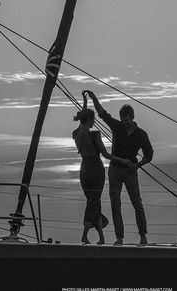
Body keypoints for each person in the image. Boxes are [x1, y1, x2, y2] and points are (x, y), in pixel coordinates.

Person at [85, 90, 154, 245]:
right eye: (123, 120)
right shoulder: (117, 126)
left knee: (137, 203)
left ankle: (143, 235)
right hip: (115, 169)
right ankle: (119, 237)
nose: (125, 122)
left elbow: (149, 154)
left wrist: (138, 165)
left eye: (127, 120)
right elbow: (102, 113)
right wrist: (94, 97)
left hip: (130, 171)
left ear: (132, 117)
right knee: (115, 203)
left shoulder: (141, 134)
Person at [72, 92, 131, 245]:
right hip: (96, 169)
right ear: (90, 120)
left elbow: (83, 119)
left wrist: (85, 102)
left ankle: (101, 238)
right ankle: (86, 234)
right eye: (93, 119)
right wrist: (122, 159)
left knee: (92, 201)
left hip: (84, 169)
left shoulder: (77, 133)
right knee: (94, 201)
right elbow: (106, 155)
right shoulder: (95, 135)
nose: (95, 121)